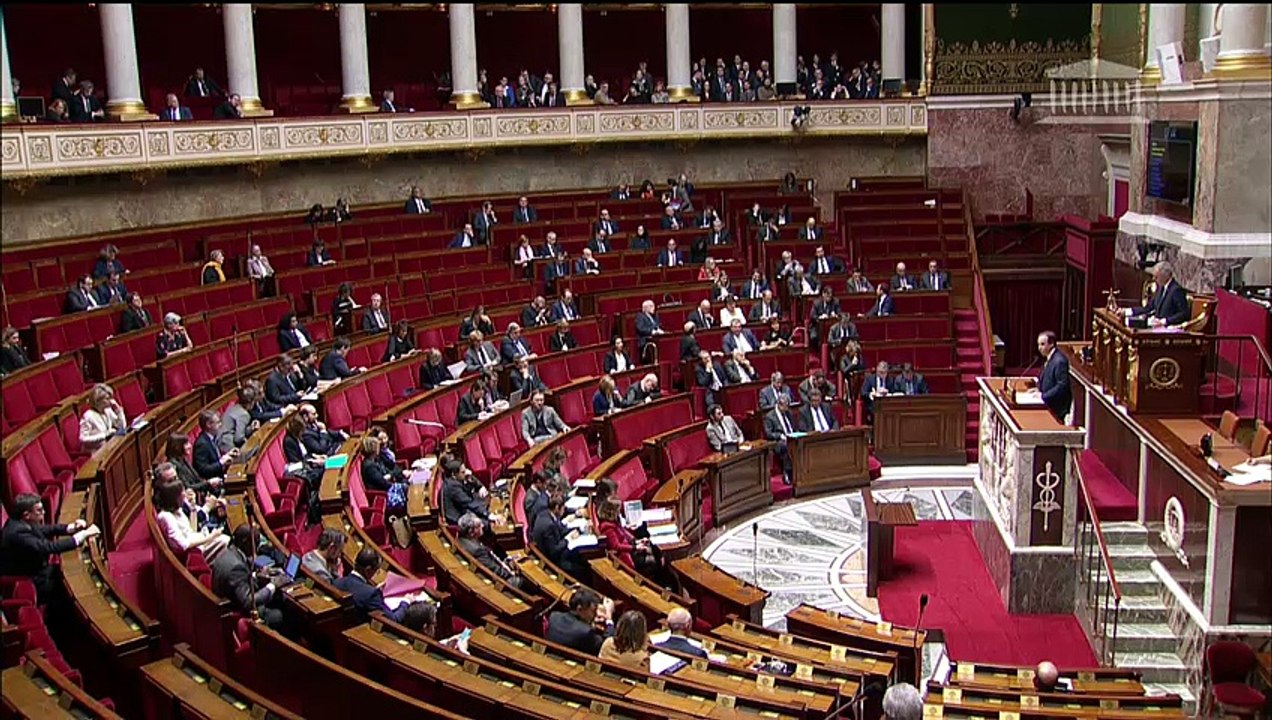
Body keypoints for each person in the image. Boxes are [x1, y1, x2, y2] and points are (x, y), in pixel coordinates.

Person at [2, 493, 100, 602]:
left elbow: (46, 529)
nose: (43, 513)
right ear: (27, 515)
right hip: (32, 582)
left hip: (40, 571)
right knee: (74, 584)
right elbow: (48, 547)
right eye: (39, 510)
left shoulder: (21, 522)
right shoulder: (17, 534)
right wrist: (82, 535)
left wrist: (71, 528)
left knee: (74, 570)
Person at [211, 525, 285, 628]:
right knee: (280, 614)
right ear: (246, 542)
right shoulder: (236, 567)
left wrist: (255, 576)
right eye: (257, 541)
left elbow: (237, 581)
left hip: (227, 603)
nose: (258, 546)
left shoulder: (227, 553)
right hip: (238, 614)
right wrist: (274, 585)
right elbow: (248, 601)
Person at [153, 473, 229, 559]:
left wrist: (192, 506)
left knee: (224, 532)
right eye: (182, 493)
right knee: (225, 540)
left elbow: (192, 529)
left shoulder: (178, 509)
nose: (185, 495)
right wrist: (211, 537)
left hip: (198, 540)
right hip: (191, 554)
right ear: (174, 498)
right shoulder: (166, 517)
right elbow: (183, 546)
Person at [335, 547, 408, 624]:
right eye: (377, 570)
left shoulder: (337, 582)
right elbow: (394, 619)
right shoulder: (371, 594)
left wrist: (373, 589)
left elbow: (358, 591)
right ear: (368, 570)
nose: (375, 574)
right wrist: (406, 602)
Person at [457, 513, 523, 589]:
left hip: (496, 570)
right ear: (471, 533)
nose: (483, 526)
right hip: (500, 583)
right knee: (526, 582)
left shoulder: (462, 540)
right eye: (479, 526)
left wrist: (506, 561)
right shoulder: (477, 550)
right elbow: (496, 571)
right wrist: (511, 574)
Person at [546, 588, 613, 655]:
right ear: (579, 609)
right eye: (593, 610)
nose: (595, 614)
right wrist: (609, 618)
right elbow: (606, 645)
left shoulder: (554, 616)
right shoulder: (586, 632)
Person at [1124, 262, 1190, 328]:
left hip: (1168, 329)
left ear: (1165, 275)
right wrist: (1126, 311)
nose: (1154, 279)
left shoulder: (1176, 290)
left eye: (1156, 277)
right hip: (1155, 325)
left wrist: (1164, 321)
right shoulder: (1161, 288)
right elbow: (1149, 308)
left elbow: (1183, 314)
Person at [360, 434, 408, 509]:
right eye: (377, 446)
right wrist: (393, 477)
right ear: (373, 449)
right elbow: (383, 483)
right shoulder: (369, 466)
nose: (379, 448)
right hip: (383, 493)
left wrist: (391, 475)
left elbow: (393, 466)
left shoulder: (377, 458)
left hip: (389, 485)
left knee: (407, 482)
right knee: (407, 487)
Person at [79, 383, 128, 455]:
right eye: (108, 398)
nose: (111, 401)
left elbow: (121, 427)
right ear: (98, 400)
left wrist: (119, 411)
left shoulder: (107, 411)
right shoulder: (88, 416)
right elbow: (83, 439)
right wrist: (104, 435)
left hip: (108, 448)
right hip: (95, 453)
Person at [1036, 330, 1072, 423]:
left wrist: (1044, 396)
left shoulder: (1059, 361)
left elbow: (1062, 385)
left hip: (1056, 408)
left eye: (1042, 344)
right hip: (1049, 404)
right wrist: (1038, 390)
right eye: (1039, 344)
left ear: (1051, 344)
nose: (1039, 348)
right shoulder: (1050, 358)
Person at [193, 410, 238, 480]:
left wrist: (228, 455)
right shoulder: (202, 444)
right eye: (217, 423)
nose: (220, 425)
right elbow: (203, 470)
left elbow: (215, 458)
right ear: (208, 425)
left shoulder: (211, 438)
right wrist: (221, 463)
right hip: (214, 482)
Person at [441, 460, 489, 525]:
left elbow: (469, 487)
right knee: (488, 523)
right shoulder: (453, 487)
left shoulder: (455, 479)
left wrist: (479, 486)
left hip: (464, 509)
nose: (465, 473)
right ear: (454, 474)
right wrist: (488, 515)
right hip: (458, 518)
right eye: (463, 472)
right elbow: (468, 503)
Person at [764, 395, 797, 484]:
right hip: (777, 442)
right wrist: (780, 436)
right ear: (779, 404)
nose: (787, 409)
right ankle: (787, 473)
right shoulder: (770, 416)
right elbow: (768, 434)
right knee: (785, 446)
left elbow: (794, 427)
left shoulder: (788, 413)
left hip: (791, 437)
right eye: (785, 406)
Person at [217, 386, 259, 452]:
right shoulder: (244, 414)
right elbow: (238, 438)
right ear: (251, 402)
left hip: (219, 441)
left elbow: (238, 431)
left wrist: (251, 428)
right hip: (227, 445)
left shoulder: (234, 406)